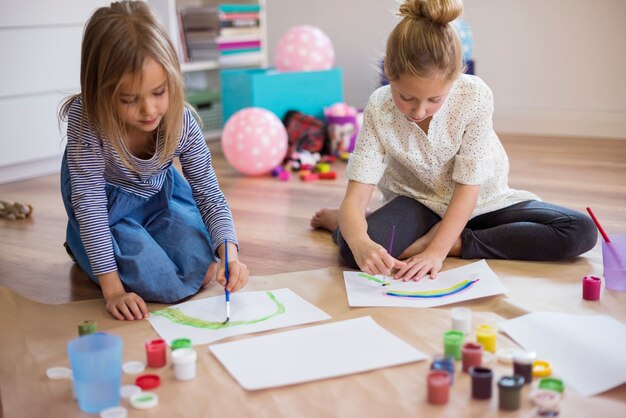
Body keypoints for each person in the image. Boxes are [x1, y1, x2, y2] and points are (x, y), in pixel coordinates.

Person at [311, 0, 597, 281]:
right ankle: (347, 223)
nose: (418, 111)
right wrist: (360, 240)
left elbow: (468, 188)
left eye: (435, 99)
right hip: (419, 202)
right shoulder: (379, 107)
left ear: (457, 75)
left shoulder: (474, 96)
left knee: (580, 230)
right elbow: (355, 196)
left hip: (484, 200)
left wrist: (437, 250)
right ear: (388, 70)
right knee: (352, 252)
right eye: (406, 97)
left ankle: (456, 244)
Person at [59, 1, 248, 321]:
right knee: (159, 282)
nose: (148, 111)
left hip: (156, 199)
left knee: (202, 269)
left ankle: (127, 243)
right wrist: (114, 291)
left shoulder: (181, 120)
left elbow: (209, 194)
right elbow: (89, 205)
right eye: (129, 100)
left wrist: (230, 252)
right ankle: (81, 243)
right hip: (104, 210)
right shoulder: (88, 121)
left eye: (159, 92)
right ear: (99, 93)